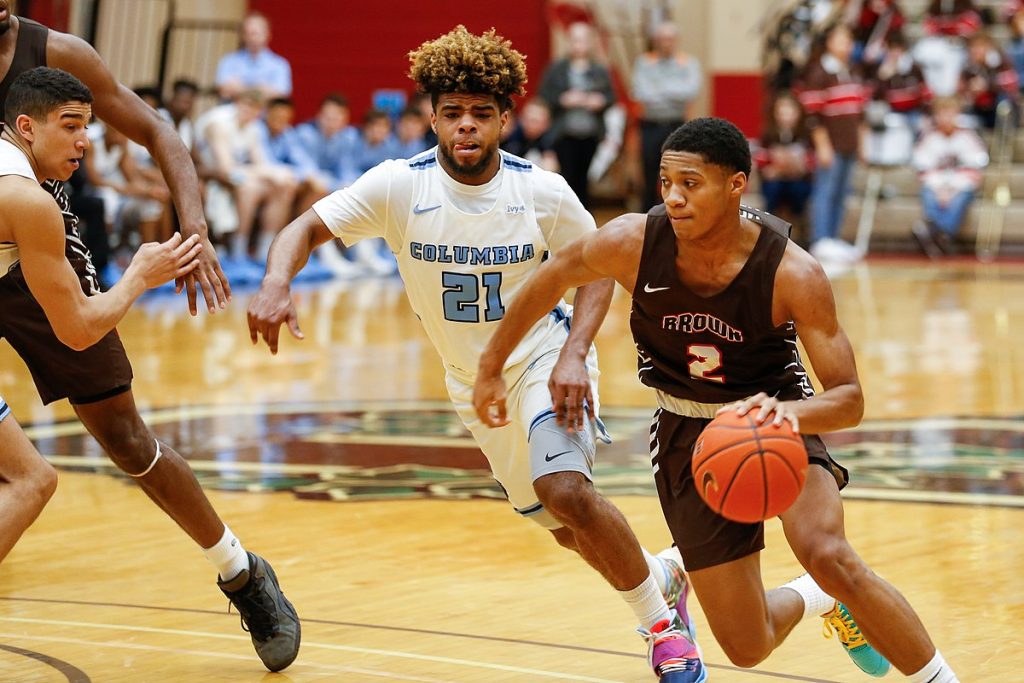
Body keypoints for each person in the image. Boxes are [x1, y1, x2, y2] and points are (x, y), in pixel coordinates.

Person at [247, 25, 703, 682]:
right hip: (471, 380)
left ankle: (662, 630)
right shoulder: (397, 185)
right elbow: (304, 226)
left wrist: (576, 352)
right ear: (432, 116)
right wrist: (274, 280)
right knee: (564, 525)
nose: (466, 127)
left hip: (546, 354)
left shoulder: (540, 191)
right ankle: (662, 575)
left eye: (481, 115)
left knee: (565, 488)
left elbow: (599, 270)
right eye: (453, 113)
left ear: (505, 120)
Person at [473, 117, 960, 683]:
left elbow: (849, 400)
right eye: (665, 183)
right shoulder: (633, 241)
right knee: (748, 646)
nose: (674, 198)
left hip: (774, 416)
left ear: (735, 185)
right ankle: (819, 599)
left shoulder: (792, 271)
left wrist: (787, 413)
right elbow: (553, 276)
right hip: (685, 430)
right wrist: (499, 363)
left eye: (690, 183)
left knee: (829, 553)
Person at [0, 9, 297, 672]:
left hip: (37, 249)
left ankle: (241, 573)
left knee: (125, 437)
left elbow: (159, 131)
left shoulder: (57, 55)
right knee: (24, 471)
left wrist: (191, 232)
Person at [0, 67, 201, 564]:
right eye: (70, 126)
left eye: (87, 126)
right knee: (30, 479)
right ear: (27, 128)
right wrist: (138, 275)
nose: (85, 140)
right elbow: (78, 330)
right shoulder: (28, 201)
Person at [797, 23, 868, 266]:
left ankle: (834, 238)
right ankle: (820, 238)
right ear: (829, 43)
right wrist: (822, 144)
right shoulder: (820, 72)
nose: (846, 45)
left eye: (849, 40)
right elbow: (812, 115)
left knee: (842, 192)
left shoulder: (853, 70)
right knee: (825, 192)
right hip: (831, 144)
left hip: (849, 143)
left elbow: (860, 112)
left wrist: (862, 144)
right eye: (841, 40)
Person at [538, 22, 616, 209]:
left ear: (589, 42)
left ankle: (585, 222)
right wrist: (562, 99)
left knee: (584, 180)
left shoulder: (599, 69)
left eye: (582, 40)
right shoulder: (557, 68)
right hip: (563, 134)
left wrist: (599, 101)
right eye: (574, 40)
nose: (578, 44)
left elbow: (611, 97)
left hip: (591, 134)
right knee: (566, 179)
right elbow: (544, 94)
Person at [631, 21, 702, 211]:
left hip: (677, 125)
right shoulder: (644, 62)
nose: (666, 43)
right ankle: (647, 215)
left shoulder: (688, 62)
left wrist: (659, 89)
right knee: (649, 173)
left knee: (677, 172)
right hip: (650, 125)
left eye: (670, 39)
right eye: (662, 39)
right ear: (656, 41)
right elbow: (640, 93)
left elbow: (691, 91)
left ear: (676, 41)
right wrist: (673, 91)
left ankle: (674, 211)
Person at [911, 96, 988, 256]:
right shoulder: (929, 138)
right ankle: (941, 237)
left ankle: (934, 233)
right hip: (936, 187)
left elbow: (975, 168)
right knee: (928, 195)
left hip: (960, 187)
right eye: (942, 113)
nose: (946, 118)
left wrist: (953, 188)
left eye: (949, 113)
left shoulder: (968, 137)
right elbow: (923, 169)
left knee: (960, 198)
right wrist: (940, 189)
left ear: (957, 114)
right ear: (936, 115)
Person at [215, 11, 292, 101]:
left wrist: (240, 88)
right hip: (233, 112)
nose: (252, 38)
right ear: (243, 36)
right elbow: (223, 89)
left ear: (268, 34)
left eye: (256, 33)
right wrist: (261, 89)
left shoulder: (280, 65)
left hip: (265, 114)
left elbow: (281, 95)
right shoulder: (229, 60)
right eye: (248, 33)